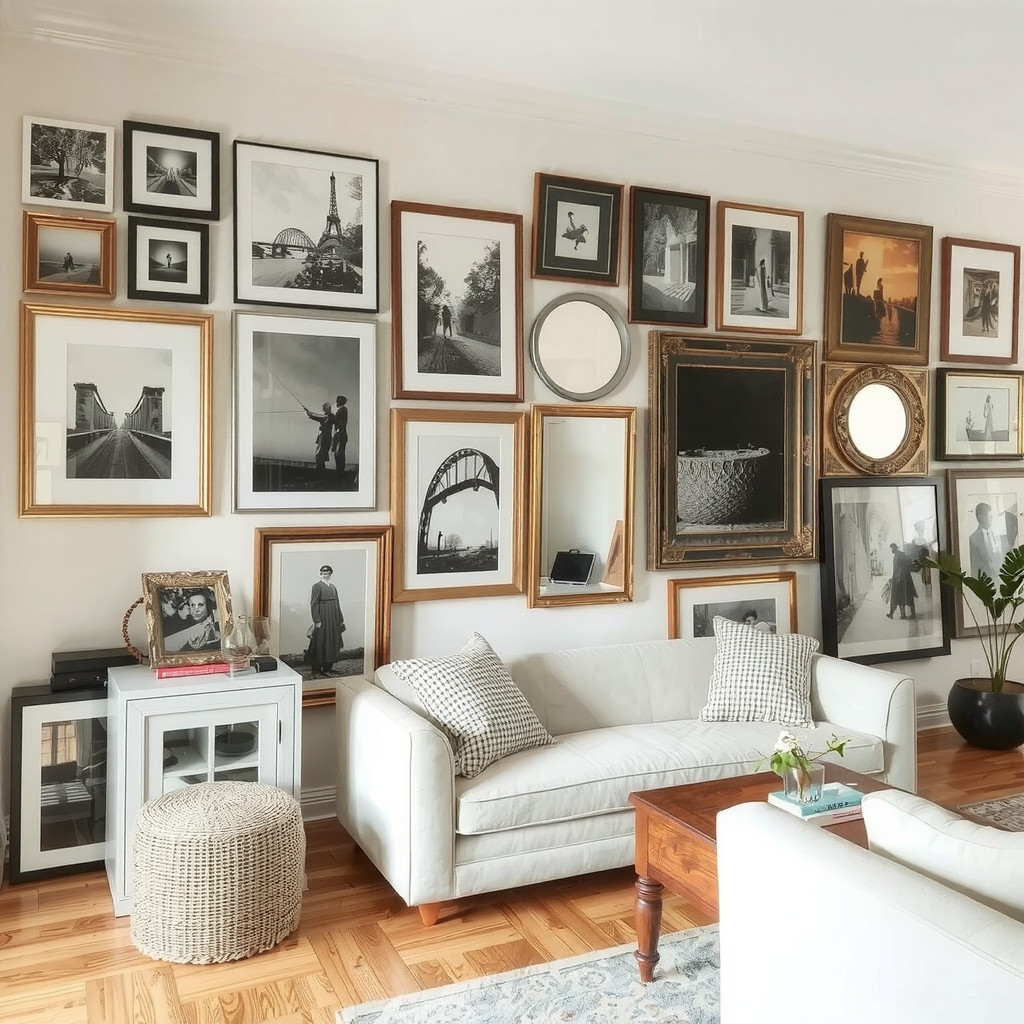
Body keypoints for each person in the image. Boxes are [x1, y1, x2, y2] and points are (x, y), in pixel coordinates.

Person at [307, 565, 345, 678]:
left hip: (333, 618)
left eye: (327, 573)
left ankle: (328, 668)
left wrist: (340, 619)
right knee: (320, 642)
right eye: (323, 573)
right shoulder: (317, 586)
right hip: (323, 617)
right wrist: (317, 620)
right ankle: (316, 670)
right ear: (320, 573)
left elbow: (337, 603)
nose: (325, 574)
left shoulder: (333, 587)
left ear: (330, 574)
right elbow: (313, 604)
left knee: (332, 641)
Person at [969, 501, 1008, 580]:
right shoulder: (973, 538)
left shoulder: (996, 534)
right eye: (989, 516)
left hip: (1000, 578)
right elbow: (974, 566)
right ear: (980, 517)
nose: (991, 519)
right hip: (985, 582)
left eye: (991, 516)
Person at [886, 542, 918, 621]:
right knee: (906, 595)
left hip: (900, 578)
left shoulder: (898, 556)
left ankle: (897, 614)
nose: (891, 550)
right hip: (904, 578)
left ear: (895, 548)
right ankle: (904, 614)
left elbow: (898, 568)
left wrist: (896, 577)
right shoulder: (900, 554)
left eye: (892, 548)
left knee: (899, 595)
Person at [304, 401, 333, 472]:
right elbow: (318, 416)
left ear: (327, 409)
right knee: (321, 453)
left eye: (324, 409)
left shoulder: (329, 416)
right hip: (324, 436)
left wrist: (309, 413)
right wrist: (309, 413)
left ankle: (320, 468)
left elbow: (317, 417)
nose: (323, 410)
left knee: (320, 453)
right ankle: (321, 467)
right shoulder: (328, 416)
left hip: (324, 437)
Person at [332, 395, 348, 480]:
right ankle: (339, 472)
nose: (336, 403)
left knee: (339, 454)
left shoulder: (343, 409)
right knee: (337, 453)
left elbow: (334, 418)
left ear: (338, 402)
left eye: (337, 401)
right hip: (338, 435)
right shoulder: (341, 409)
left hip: (340, 435)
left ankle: (340, 473)